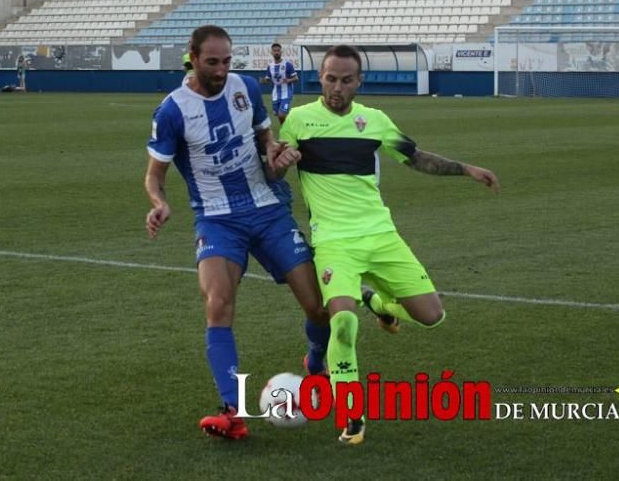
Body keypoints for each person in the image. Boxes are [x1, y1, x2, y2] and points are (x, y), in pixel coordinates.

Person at [272, 44, 500, 445]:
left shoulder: (373, 121)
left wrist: (467, 169)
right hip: (333, 242)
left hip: (381, 236)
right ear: (319, 77)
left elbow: (414, 157)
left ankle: (377, 303)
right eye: (330, 78)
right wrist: (279, 162)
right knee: (342, 321)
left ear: (359, 81)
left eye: (346, 80)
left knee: (432, 316)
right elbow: (271, 170)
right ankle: (352, 415)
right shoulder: (298, 121)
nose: (337, 87)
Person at [144, 25, 330, 441]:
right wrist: (160, 204)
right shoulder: (172, 111)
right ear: (192, 56)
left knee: (318, 307)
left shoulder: (245, 87)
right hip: (217, 220)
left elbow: (265, 135)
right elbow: (154, 176)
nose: (222, 69)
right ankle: (232, 410)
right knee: (217, 304)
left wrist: (273, 152)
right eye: (213, 62)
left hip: (267, 211)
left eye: (227, 60)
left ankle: (315, 366)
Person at [260, 42, 299, 124]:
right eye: (274, 51)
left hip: (286, 92)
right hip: (275, 94)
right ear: (271, 52)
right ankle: (285, 127)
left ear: (281, 52)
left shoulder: (288, 65)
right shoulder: (270, 66)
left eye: (278, 50)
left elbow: (296, 78)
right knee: (278, 115)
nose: (276, 52)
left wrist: (288, 80)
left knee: (281, 114)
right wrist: (264, 80)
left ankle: (288, 127)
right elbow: (268, 79)